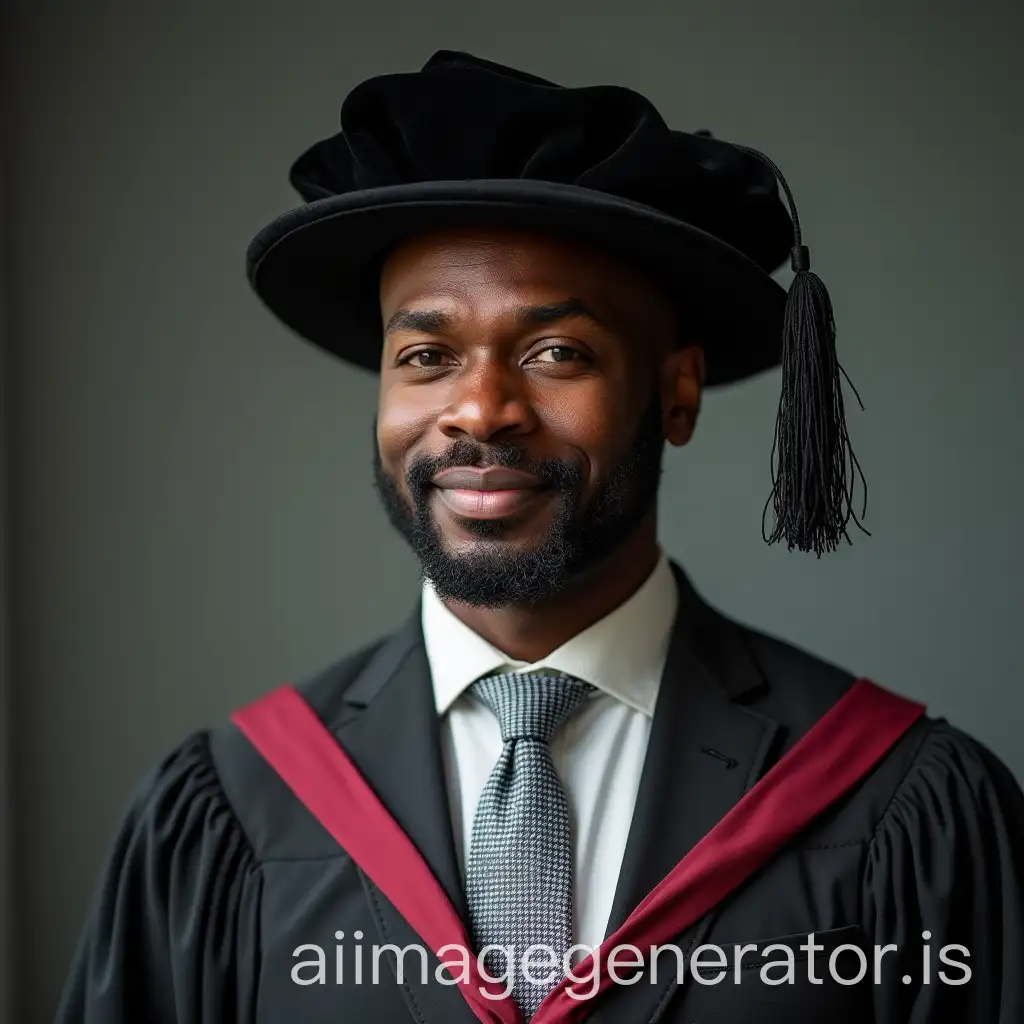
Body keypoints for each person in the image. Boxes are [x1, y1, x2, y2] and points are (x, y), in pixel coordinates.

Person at [58, 50, 1024, 1024]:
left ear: (675, 390)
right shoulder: (229, 812)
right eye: (426, 355)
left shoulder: (897, 804)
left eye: (555, 352)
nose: (479, 410)